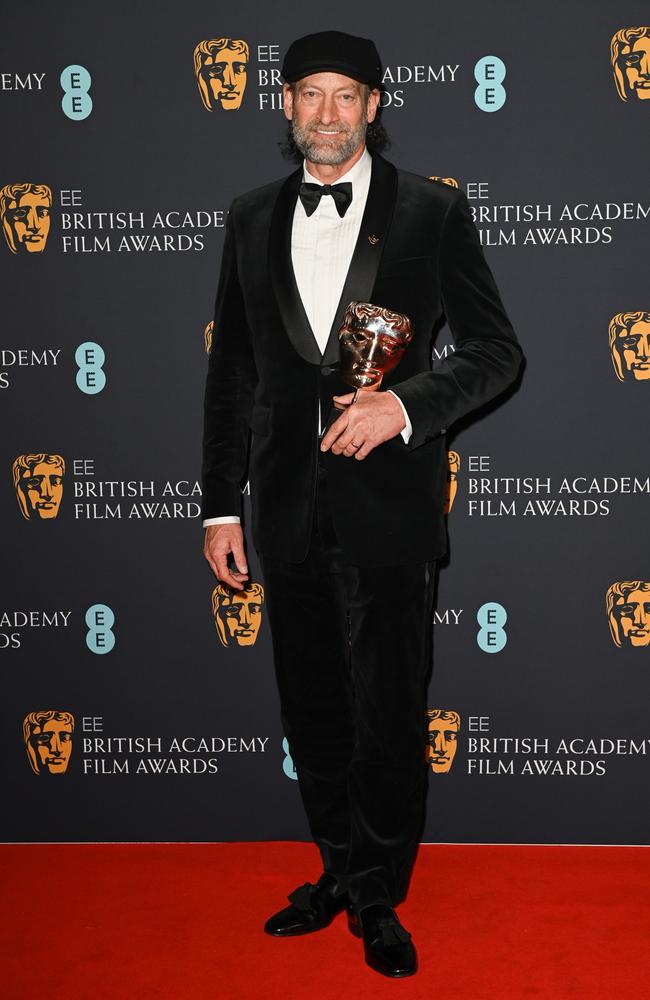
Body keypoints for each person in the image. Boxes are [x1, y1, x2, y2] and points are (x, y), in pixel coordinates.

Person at [201, 30, 523, 977]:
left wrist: (403, 406)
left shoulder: (431, 211)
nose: (329, 113)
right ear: (286, 104)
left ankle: (381, 894)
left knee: (388, 709)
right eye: (312, 94)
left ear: (375, 107)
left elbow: (496, 351)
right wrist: (221, 506)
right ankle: (337, 870)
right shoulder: (250, 215)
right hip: (287, 513)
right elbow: (232, 378)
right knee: (313, 709)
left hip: (388, 510)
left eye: (349, 96)